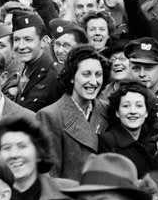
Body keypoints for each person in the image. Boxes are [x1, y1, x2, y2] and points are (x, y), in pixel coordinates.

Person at [38, 44, 108, 181]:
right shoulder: (51, 116)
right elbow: (50, 179)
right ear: (71, 77)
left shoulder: (106, 109)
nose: (93, 82)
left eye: (98, 74)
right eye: (86, 74)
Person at [98, 80, 158, 177]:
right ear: (117, 112)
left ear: (146, 112)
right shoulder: (107, 141)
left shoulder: (150, 144)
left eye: (139, 106)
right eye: (126, 106)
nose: (133, 111)